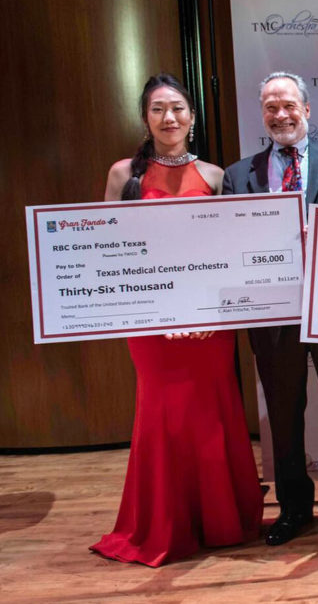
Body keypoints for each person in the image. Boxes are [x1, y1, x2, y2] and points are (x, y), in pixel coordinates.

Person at [92, 74, 263, 566]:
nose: (170, 118)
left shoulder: (214, 176)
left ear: (192, 116)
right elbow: (112, 252)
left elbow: (229, 253)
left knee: (211, 412)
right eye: (158, 109)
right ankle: (164, 524)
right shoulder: (124, 174)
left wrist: (215, 314)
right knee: (162, 414)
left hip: (208, 325)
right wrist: (157, 315)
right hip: (152, 326)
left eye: (178, 109)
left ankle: (222, 521)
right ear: (145, 119)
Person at [222, 72, 318, 545]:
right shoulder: (237, 175)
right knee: (284, 414)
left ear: (307, 110)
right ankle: (293, 508)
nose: (280, 115)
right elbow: (227, 244)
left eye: (288, 105)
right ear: (263, 114)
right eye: (271, 107)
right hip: (274, 316)